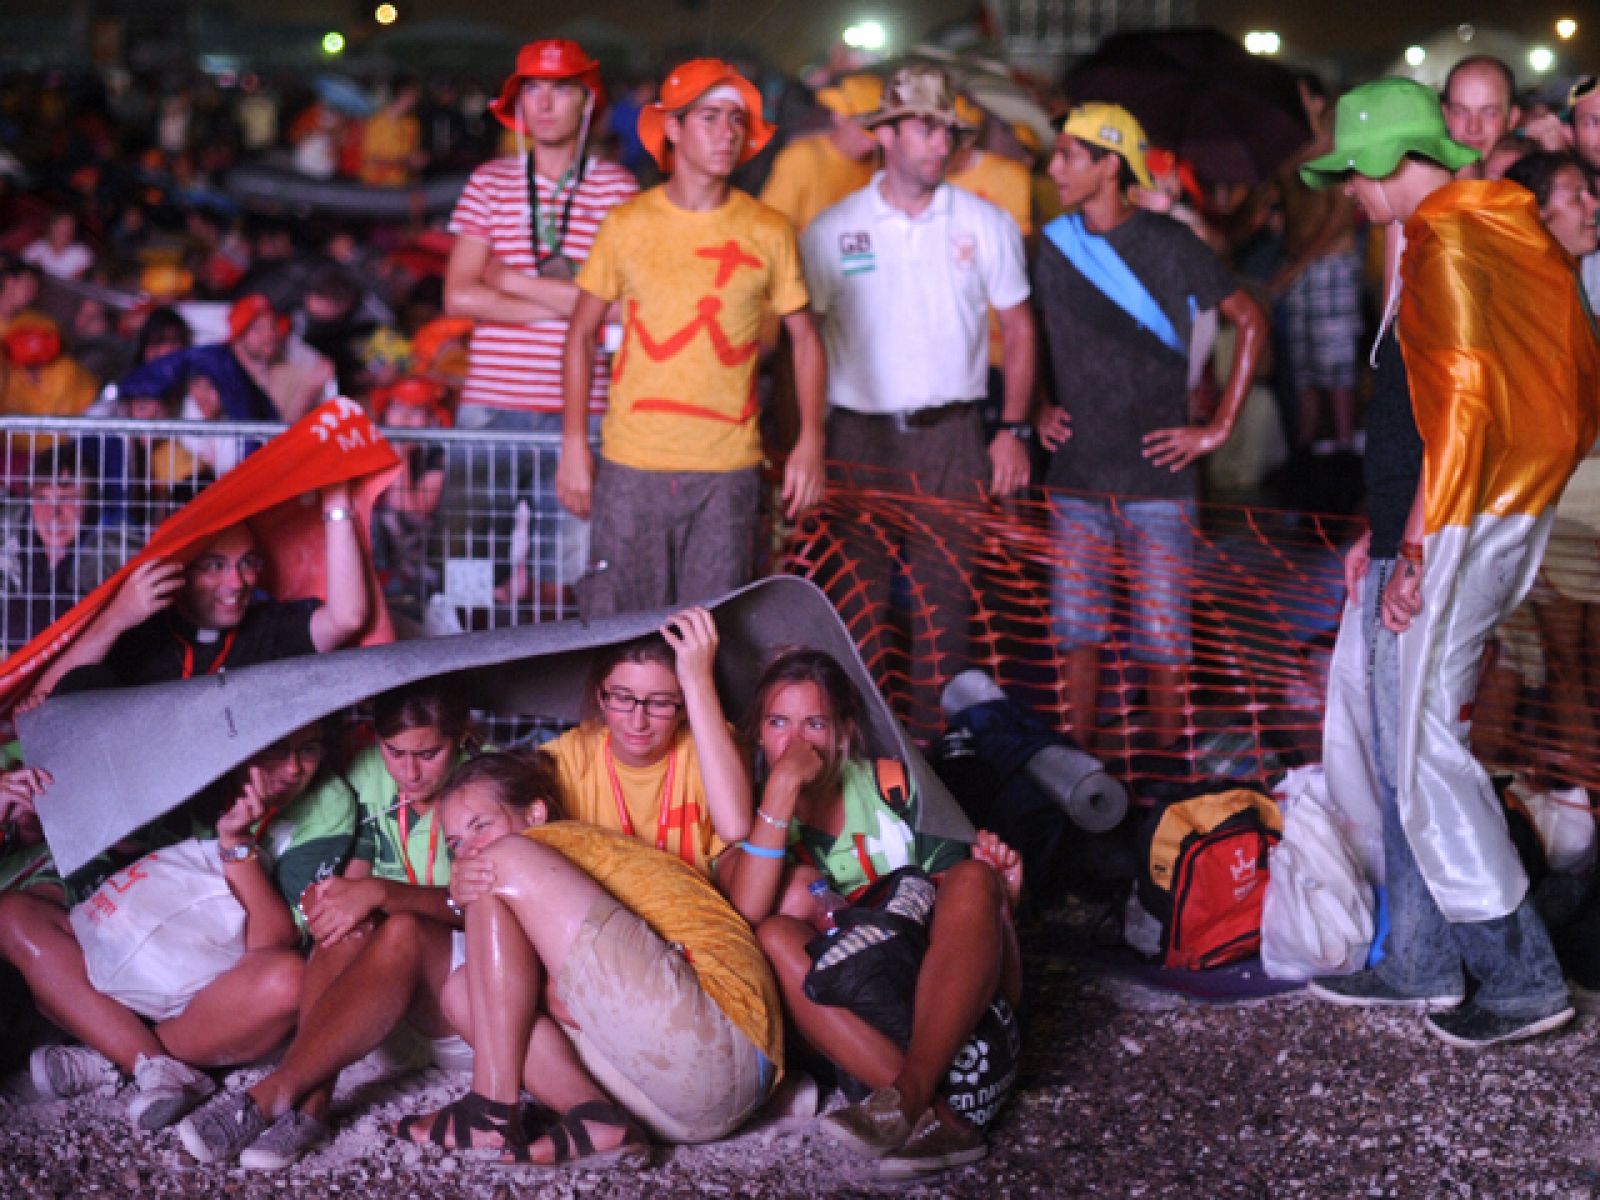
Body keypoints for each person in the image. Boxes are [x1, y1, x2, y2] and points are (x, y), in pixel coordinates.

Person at [1302, 79, 1599, 1048]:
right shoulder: (1466, 227)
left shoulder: (1451, 240)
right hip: (1442, 521)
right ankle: (1422, 959)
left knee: (1426, 753)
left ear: (1389, 159)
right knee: (1402, 753)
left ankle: (1520, 979)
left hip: (1456, 527)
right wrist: (1388, 532)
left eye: (1352, 172)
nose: (1349, 191)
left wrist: (1419, 547)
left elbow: (1463, 408)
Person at [394, 751, 783, 1167]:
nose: (469, 851)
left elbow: (567, 999)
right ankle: (595, 1117)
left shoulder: (566, 843)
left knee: (495, 866)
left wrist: (472, 884)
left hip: (725, 1040)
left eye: (481, 826)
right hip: (676, 1108)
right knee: (463, 991)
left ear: (536, 814)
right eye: (456, 844)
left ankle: (490, 1111)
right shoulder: (544, 906)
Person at [719, 647, 1022, 1180]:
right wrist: (783, 788)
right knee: (773, 932)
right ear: (758, 734)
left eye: (815, 723)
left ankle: (912, 1097)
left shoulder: (894, 787)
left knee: (974, 877)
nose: (795, 742)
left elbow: (972, 930)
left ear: (842, 733)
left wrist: (1006, 901)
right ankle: (937, 1117)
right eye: (778, 722)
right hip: (860, 1034)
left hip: (951, 1013)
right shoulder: (751, 815)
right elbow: (747, 908)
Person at [800, 64, 1035, 730]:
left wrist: (1011, 429)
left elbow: (1019, 327)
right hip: (857, 436)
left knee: (946, 600)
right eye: (926, 129)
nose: (940, 144)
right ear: (886, 135)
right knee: (855, 599)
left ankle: (936, 750)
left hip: (952, 434)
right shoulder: (833, 228)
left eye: (947, 131)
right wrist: (805, 443)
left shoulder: (984, 221)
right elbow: (803, 342)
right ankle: (862, 746)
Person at [557, 58, 827, 617]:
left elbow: (805, 339)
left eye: (736, 120)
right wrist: (574, 446)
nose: (727, 133)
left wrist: (811, 443)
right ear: (673, 129)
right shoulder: (627, 224)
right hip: (632, 464)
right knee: (625, 634)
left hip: (727, 468)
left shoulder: (768, 230)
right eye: (710, 118)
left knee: (714, 631)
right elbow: (580, 334)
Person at [1035, 103, 1266, 757]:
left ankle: (1167, 779)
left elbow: (1250, 320)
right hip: (1077, 473)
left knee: (1163, 643)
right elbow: (1031, 332)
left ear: (1109, 165)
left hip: (1160, 479)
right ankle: (1077, 779)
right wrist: (1039, 407)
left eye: (1069, 156)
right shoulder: (1052, 243)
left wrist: (1217, 429)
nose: (1054, 169)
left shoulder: (1171, 244)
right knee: (1075, 634)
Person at [173, 683, 478, 1168]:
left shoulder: (487, 783)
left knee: (400, 923)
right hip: (381, 1005)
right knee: (347, 920)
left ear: (462, 736)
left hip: (461, 999)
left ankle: (276, 1090)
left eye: (429, 754)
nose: (410, 772)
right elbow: (353, 873)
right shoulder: (367, 773)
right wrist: (334, 898)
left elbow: (492, 909)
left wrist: (385, 892)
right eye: (395, 752)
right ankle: (312, 1105)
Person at [0, 723, 343, 1131]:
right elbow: (117, 857)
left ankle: (118, 1055)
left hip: (213, 990)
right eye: (276, 748)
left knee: (288, 982)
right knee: (13, 916)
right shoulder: (188, 765)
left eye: (309, 749)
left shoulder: (328, 800)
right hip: (131, 958)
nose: (294, 769)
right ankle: (147, 1062)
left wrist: (236, 844)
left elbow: (271, 942)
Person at [445, 39, 639, 612]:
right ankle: (467, 671)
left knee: (571, 576)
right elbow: (458, 295)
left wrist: (511, 281)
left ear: (587, 102)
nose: (545, 103)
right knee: (470, 570)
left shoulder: (617, 188)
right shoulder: (489, 181)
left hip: (582, 412)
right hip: (491, 403)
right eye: (532, 89)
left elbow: (629, 307)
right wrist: (579, 304)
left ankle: (559, 671)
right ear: (518, 103)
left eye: (561, 89)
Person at [28, 480, 370, 702]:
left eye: (247, 563)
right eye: (214, 566)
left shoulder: (267, 629)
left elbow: (348, 618)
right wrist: (115, 618)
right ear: (179, 571)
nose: (236, 582)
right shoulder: (138, 635)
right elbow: (43, 701)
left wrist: (336, 501)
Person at [542, 607, 750, 875]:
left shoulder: (711, 743)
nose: (638, 722)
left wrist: (699, 680)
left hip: (687, 899)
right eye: (622, 698)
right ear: (600, 697)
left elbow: (735, 828)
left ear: (686, 706)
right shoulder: (569, 758)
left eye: (660, 703)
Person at [1270, 74, 1363, 453]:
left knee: (1335, 364)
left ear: (1317, 103)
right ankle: (1307, 452)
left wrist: (1294, 269)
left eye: (1298, 96)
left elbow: (1338, 218)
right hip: (1298, 267)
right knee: (1304, 366)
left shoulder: (1337, 150)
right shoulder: (1290, 152)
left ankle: (1343, 448)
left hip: (1332, 266)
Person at [0, 446, 126, 653]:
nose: (53, 514)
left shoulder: (116, 552)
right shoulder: (9, 535)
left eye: (68, 498)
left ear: (90, 503)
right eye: (42, 498)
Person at [116, 293, 285, 424]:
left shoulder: (211, 368)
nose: (166, 350)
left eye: (174, 341)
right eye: (157, 343)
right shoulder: (133, 386)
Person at [759, 74, 882, 233]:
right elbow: (768, 227)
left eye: (878, 132)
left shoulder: (878, 164)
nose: (872, 143)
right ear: (838, 117)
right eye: (865, 130)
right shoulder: (801, 158)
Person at [1441, 57, 1521, 180]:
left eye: (1489, 113)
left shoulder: (1533, 185)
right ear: (1445, 115)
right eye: (1460, 111)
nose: (1473, 128)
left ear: (1512, 118)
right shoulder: (1421, 185)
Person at [22, 211, 93, 281]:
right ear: (51, 226)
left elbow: (76, 283)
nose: (65, 231)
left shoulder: (82, 253)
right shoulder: (37, 247)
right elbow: (25, 273)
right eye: (61, 225)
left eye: (69, 227)